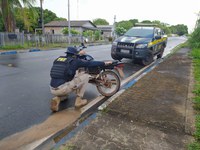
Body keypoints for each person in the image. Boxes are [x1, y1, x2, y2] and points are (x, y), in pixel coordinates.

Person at [50, 46, 112, 112]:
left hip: (52, 88)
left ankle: (57, 98)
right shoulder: (75, 61)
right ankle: (78, 101)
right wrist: (104, 63)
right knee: (86, 76)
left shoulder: (58, 59)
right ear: (74, 55)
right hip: (63, 88)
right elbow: (90, 63)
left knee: (66, 79)